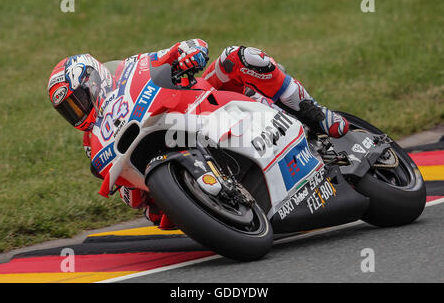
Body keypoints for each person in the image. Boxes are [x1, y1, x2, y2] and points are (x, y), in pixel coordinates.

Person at [47, 38, 348, 229]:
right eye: (69, 110)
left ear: (93, 80)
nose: (78, 111)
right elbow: (121, 187)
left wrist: (189, 54)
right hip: (164, 151)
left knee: (239, 58)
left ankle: (316, 114)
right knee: (150, 211)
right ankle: (208, 202)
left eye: (78, 100)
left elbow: (183, 49)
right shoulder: (93, 141)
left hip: (202, 107)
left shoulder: (132, 68)